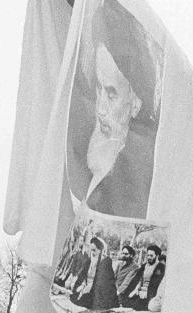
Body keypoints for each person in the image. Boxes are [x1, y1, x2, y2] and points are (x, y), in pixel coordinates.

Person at [67, 3, 160, 219]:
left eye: (111, 94)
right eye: (98, 88)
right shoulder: (94, 146)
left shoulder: (139, 169)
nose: (99, 109)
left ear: (135, 103)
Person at [70, 236, 118, 309]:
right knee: (75, 295)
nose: (92, 253)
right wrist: (82, 285)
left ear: (100, 250)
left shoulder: (105, 262)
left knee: (84, 300)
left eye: (94, 250)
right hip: (87, 285)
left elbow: (103, 283)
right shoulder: (89, 260)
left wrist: (88, 288)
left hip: (98, 290)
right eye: (91, 250)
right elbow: (83, 275)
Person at [123, 245, 165, 311]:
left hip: (150, 293)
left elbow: (156, 284)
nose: (149, 257)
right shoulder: (144, 266)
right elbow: (138, 279)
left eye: (151, 256)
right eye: (148, 255)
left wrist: (146, 293)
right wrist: (136, 289)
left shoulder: (160, 267)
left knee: (138, 306)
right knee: (125, 301)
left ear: (157, 256)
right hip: (140, 291)